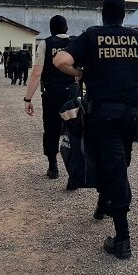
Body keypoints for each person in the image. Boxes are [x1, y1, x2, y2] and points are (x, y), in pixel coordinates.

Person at [54, 0, 138, 259]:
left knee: (112, 166)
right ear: (123, 15)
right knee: (118, 161)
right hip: (132, 116)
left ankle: (122, 239)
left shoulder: (92, 35)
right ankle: (102, 203)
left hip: (103, 115)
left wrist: (80, 73)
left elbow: (60, 61)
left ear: (103, 13)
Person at [24, 16, 78, 181]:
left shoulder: (45, 44)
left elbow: (36, 74)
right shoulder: (75, 43)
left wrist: (28, 99)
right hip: (71, 93)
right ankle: (74, 171)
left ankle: (53, 166)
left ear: (51, 29)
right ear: (66, 28)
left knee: (51, 130)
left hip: (52, 93)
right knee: (74, 130)